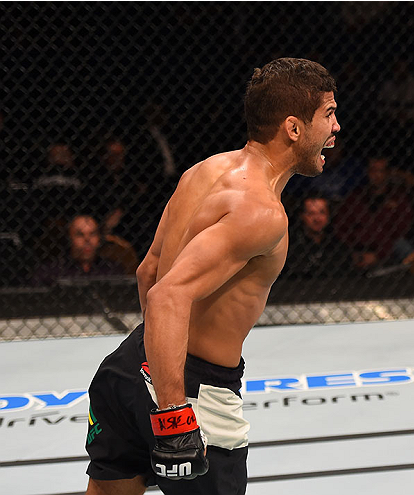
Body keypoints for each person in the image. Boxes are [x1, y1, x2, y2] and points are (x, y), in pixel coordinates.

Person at [85, 57, 340, 495]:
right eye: (329, 114)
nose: (336, 128)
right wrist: (172, 412)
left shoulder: (204, 171)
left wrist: (151, 365)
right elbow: (168, 295)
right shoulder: (261, 212)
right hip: (192, 391)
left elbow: (148, 271)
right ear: (294, 128)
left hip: (127, 369)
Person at [31, 214, 125, 286]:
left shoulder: (112, 270)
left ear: (99, 238)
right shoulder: (50, 271)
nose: (87, 240)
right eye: (80, 234)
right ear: (70, 238)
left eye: (92, 234)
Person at [282, 193, 354, 278]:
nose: (317, 218)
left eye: (322, 212)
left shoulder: (338, 245)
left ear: (328, 215)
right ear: (302, 216)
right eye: (311, 213)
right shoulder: (290, 245)